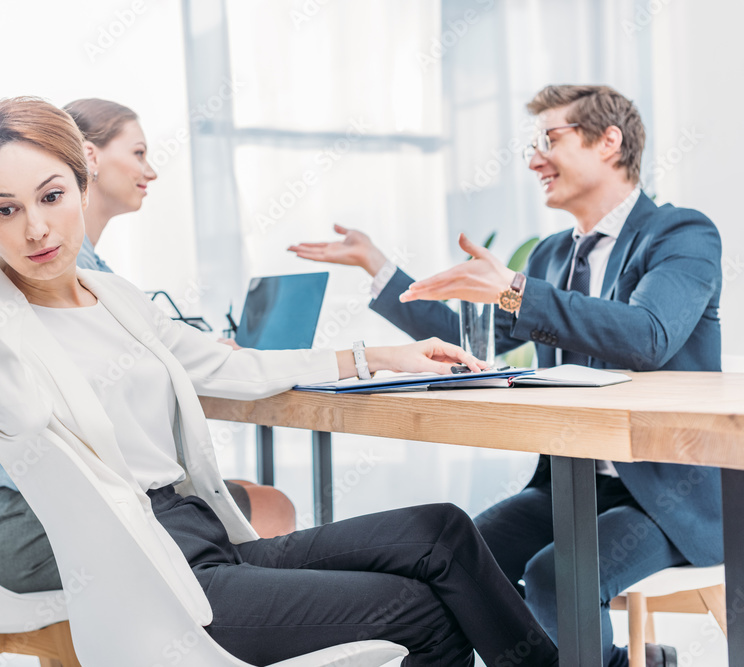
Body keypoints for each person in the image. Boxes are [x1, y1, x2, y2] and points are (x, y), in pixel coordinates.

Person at [0, 96, 559, 667]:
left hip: (198, 533)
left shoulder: (115, 297)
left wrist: (380, 357)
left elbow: (230, 367)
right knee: (417, 609)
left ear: (81, 183)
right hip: (143, 566)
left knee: (440, 529)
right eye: (5, 211)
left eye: (51, 196)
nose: (35, 229)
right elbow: (15, 420)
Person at [289, 84, 723, 667]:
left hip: (669, 496)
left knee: (553, 577)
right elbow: (467, 338)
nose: (533, 158)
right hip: (573, 483)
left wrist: (516, 291)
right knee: (458, 559)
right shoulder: (548, 257)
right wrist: (379, 267)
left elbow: (647, 336)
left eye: (550, 139)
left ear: (609, 142)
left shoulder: (680, 234)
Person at [63, 98, 155, 273]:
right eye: (139, 153)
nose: (152, 174)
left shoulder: (87, 263)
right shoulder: (73, 267)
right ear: (90, 156)